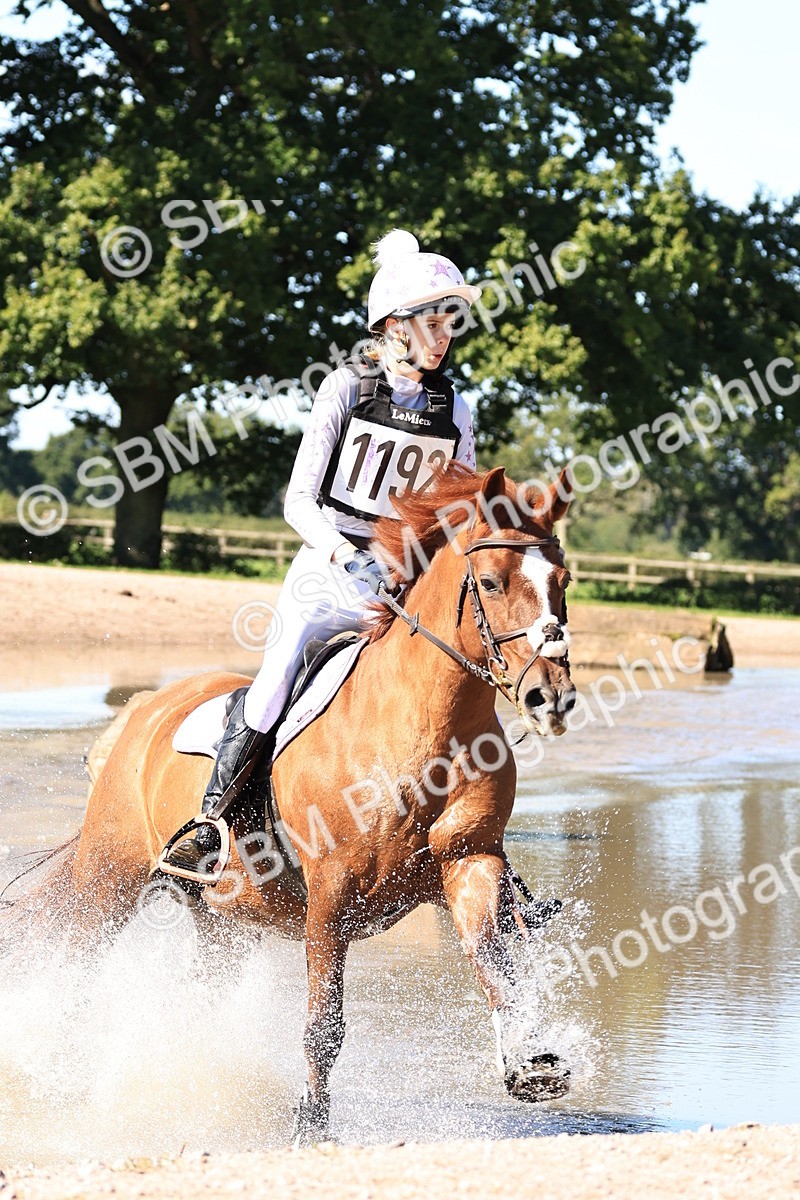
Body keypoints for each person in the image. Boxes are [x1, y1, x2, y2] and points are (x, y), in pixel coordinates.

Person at [162, 228, 482, 879]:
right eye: (432, 317)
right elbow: (298, 503)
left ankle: (476, 839)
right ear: (393, 324)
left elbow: (462, 514)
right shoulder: (344, 388)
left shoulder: (459, 412)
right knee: (279, 671)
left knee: (457, 679)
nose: (446, 331)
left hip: (403, 585)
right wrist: (342, 552)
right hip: (328, 570)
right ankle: (211, 821)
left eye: (452, 318)